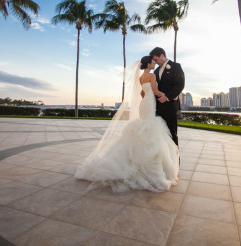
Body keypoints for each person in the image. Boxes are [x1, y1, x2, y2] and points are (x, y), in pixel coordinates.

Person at [75, 56, 179, 193]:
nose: (154, 63)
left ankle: (136, 160)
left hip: (144, 103)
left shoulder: (141, 76)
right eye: (152, 62)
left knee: (144, 128)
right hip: (149, 103)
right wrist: (171, 96)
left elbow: (144, 91)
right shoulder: (152, 75)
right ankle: (146, 166)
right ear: (148, 64)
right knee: (149, 130)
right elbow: (155, 91)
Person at [149, 47, 185, 146]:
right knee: (160, 135)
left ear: (162, 55)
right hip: (158, 108)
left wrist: (167, 96)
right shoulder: (156, 71)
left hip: (170, 107)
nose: (155, 62)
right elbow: (154, 87)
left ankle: (175, 161)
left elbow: (180, 85)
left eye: (156, 60)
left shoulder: (175, 66)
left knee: (172, 135)